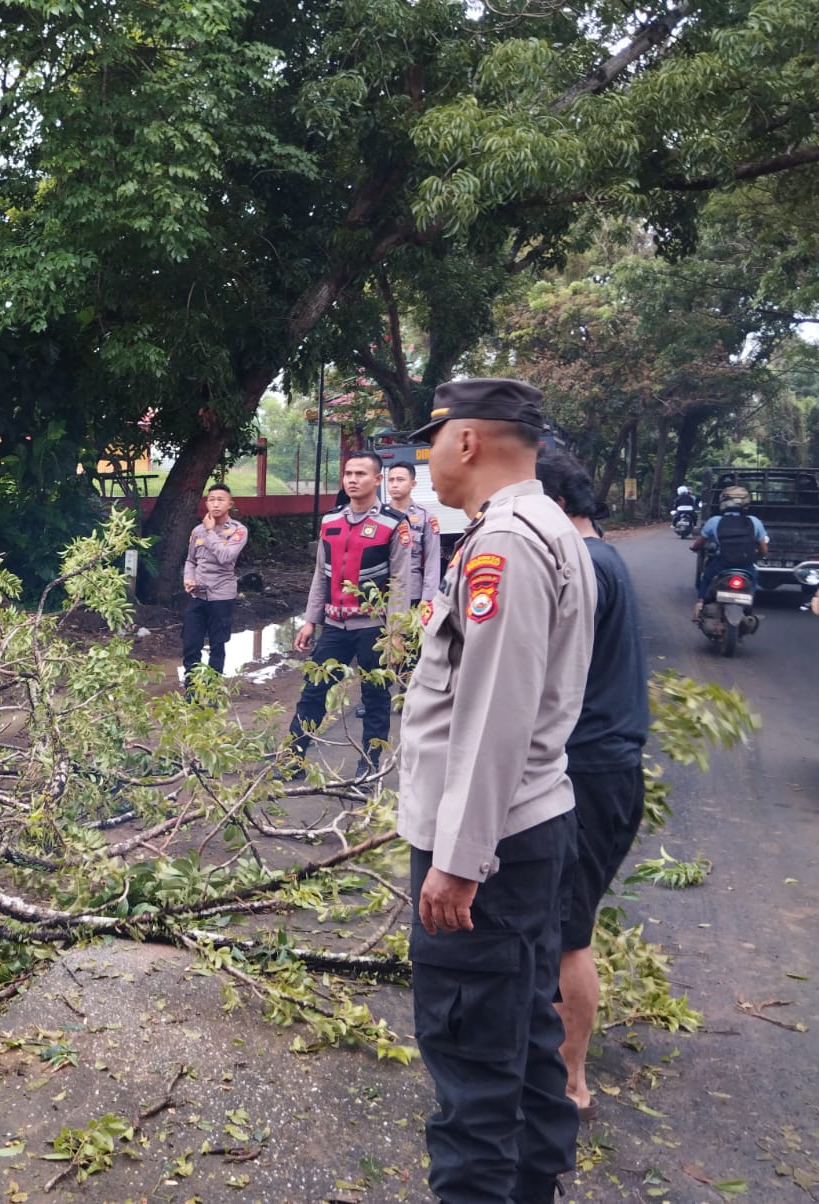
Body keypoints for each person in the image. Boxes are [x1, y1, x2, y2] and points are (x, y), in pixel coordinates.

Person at [398, 378, 595, 1204]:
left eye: (431, 441)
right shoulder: (545, 526)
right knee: (524, 1033)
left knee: (473, 1063)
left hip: (490, 850)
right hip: (527, 832)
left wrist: (460, 860)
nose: (426, 458)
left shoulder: (504, 543)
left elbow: (491, 716)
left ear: (468, 441)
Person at [536, 449, 650, 1125]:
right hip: (607, 767)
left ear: (552, 502)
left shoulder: (586, 567)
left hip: (589, 772)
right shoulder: (606, 558)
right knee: (561, 924)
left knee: (569, 932)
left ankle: (570, 1083)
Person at [288, 451, 410, 775]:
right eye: (348, 474)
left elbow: (400, 582)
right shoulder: (330, 522)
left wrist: (394, 635)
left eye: (361, 474)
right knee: (312, 692)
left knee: (375, 699)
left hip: (373, 628)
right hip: (334, 627)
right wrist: (310, 620)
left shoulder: (394, 524)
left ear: (377, 479)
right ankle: (293, 761)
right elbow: (320, 574)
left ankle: (368, 768)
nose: (353, 479)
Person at [181, 483, 249, 685]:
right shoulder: (197, 531)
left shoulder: (238, 531)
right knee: (191, 644)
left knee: (217, 645)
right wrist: (188, 578)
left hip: (222, 596)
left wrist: (211, 532)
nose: (216, 504)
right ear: (206, 503)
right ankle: (191, 691)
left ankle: (211, 690)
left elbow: (226, 557)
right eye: (211, 499)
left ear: (230, 504)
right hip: (197, 595)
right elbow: (191, 560)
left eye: (221, 500)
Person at [690, 485, 767, 618]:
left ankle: (701, 603)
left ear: (723, 502)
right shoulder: (755, 522)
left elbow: (699, 543)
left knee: (706, 578)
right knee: (754, 578)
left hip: (721, 564)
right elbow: (764, 549)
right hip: (746, 565)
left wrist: (694, 548)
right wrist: (759, 555)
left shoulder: (714, 521)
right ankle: (748, 604)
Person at [386, 460, 442, 604]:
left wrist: (428, 599)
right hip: (381, 593)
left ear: (413, 484)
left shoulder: (426, 517)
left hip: (412, 593)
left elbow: (432, 561)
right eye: (391, 480)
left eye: (400, 480)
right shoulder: (380, 516)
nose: (394, 484)